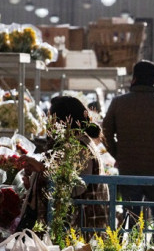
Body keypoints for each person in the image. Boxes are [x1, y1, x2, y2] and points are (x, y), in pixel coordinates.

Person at [102, 60, 154, 226]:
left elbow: (105, 133)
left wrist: (118, 154)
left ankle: (133, 250)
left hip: (129, 171)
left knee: (132, 219)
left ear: (134, 79)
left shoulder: (119, 103)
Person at [20, 96, 110, 230]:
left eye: (50, 117)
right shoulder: (71, 144)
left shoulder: (79, 147)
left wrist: (42, 169)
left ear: (63, 121)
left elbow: (73, 187)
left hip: (78, 227)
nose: (47, 122)